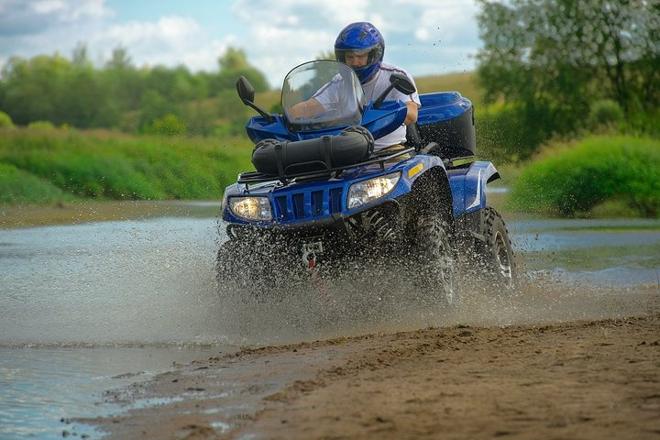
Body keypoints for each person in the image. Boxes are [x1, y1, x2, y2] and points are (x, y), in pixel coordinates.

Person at [289, 22, 421, 153]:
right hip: (349, 154)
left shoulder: (395, 76)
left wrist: (382, 112)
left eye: (360, 56)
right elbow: (310, 106)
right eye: (350, 57)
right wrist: (286, 117)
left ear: (374, 54)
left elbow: (411, 114)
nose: (354, 62)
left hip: (390, 151)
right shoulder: (339, 82)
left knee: (405, 171)